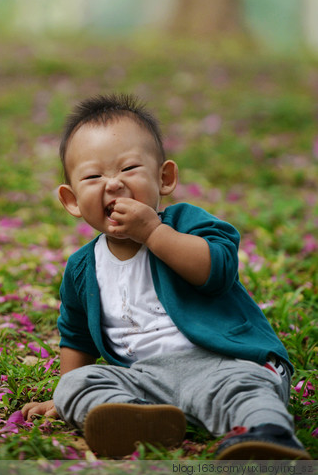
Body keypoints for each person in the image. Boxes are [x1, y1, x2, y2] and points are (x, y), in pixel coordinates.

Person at [22, 94, 310, 460]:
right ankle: (138, 419)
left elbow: (217, 271)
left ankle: (267, 434)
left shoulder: (187, 224)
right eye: (93, 176)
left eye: (128, 169)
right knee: (76, 383)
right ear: (72, 200)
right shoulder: (83, 267)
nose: (113, 184)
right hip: (147, 380)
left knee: (246, 389)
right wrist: (63, 396)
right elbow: (76, 336)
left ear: (165, 177)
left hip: (224, 364)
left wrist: (153, 233)